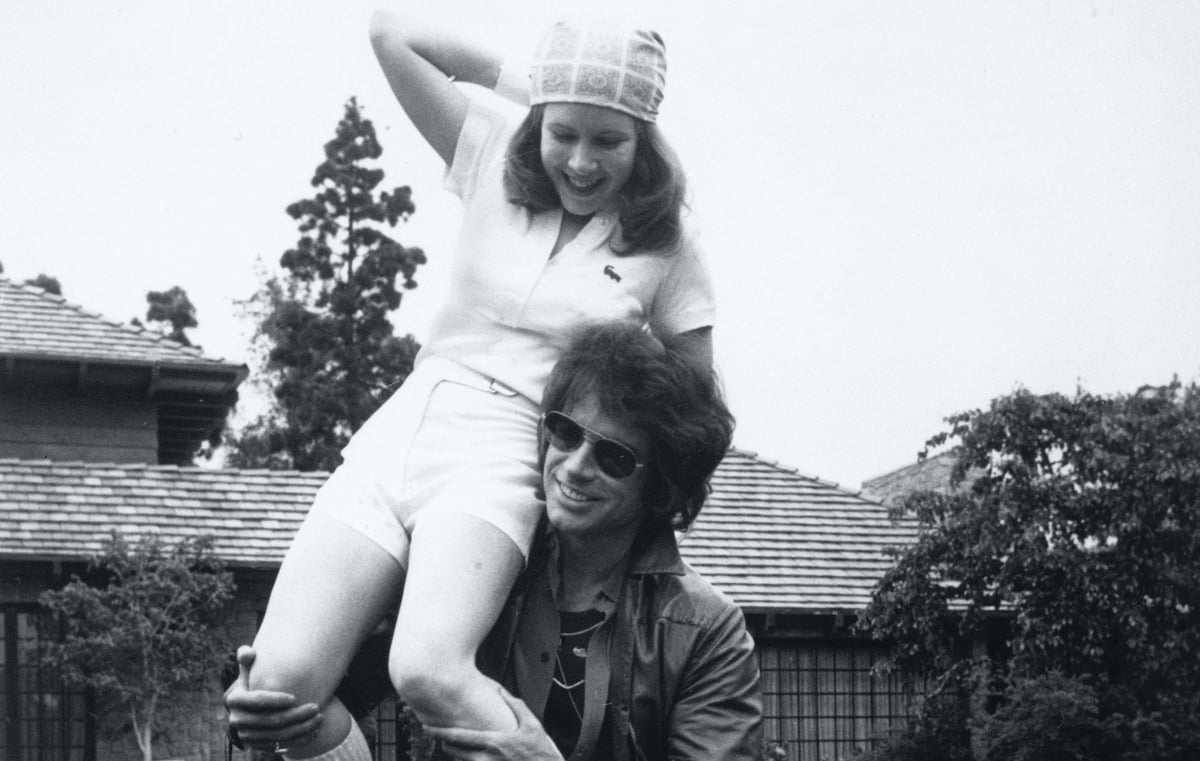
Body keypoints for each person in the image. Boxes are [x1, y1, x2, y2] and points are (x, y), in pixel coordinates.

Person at [236, 9, 716, 761]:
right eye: (566, 134)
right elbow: (392, 35)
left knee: (428, 667)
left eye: (610, 139)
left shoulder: (669, 243)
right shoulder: (494, 149)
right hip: (408, 421)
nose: (582, 162)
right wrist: (551, 92)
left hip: (504, 456)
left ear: (646, 140)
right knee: (276, 688)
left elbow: (694, 403)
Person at [228, 322, 762, 761]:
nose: (574, 468)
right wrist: (263, 705)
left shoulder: (706, 633)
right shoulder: (484, 568)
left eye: (614, 458)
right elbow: (326, 691)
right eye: (566, 432)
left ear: (661, 487)